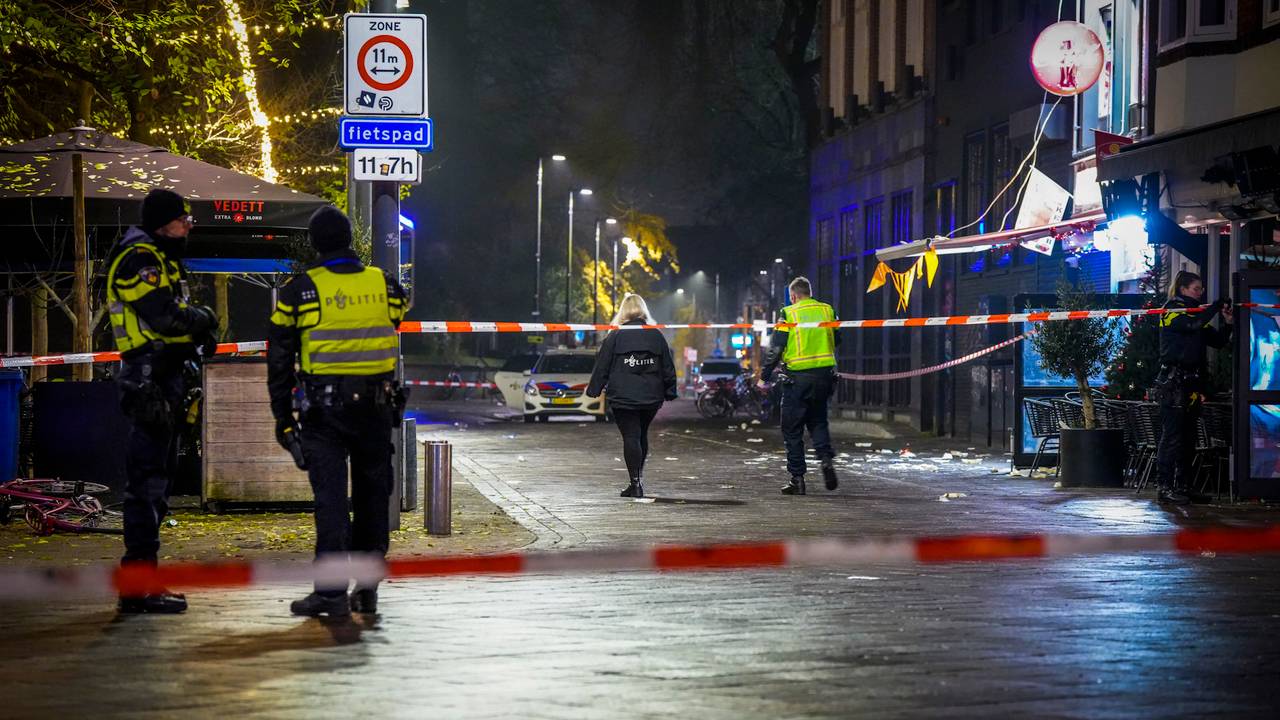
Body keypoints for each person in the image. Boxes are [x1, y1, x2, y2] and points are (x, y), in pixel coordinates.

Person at [268, 206, 408, 618]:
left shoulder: (300, 291)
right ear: (349, 239)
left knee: (330, 500)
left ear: (314, 243)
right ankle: (367, 590)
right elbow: (396, 320)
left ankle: (330, 594)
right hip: (376, 410)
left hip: (324, 413)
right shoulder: (386, 285)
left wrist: (282, 416)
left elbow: (278, 358)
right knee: (372, 497)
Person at [106, 188, 219, 614]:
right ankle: (137, 587)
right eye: (183, 218)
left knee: (158, 485)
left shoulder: (159, 258)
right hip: (148, 379)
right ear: (161, 223)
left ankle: (144, 582)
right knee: (147, 486)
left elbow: (174, 319)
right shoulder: (140, 258)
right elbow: (164, 316)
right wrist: (203, 320)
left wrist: (195, 332)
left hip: (164, 377)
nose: (190, 225)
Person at [586, 294, 677, 498]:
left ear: (623, 312)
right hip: (651, 396)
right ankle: (638, 479)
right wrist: (670, 390)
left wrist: (594, 389)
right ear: (643, 311)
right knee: (641, 434)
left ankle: (635, 483)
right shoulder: (655, 335)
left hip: (623, 396)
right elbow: (667, 365)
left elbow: (603, 364)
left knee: (630, 436)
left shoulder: (616, 335)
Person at [1153, 270, 1232, 505]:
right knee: (1172, 437)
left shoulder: (1195, 312)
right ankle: (1164, 486)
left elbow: (1216, 342)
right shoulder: (1173, 309)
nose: (1200, 293)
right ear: (1183, 289)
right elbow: (1192, 324)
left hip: (1192, 383)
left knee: (1189, 438)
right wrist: (1215, 307)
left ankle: (1184, 486)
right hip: (1173, 382)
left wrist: (1227, 324)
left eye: (1201, 289)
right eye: (1196, 289)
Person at [761, 277, 841, 495]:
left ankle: (798, 479)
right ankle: (825, 459)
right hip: (824, 377)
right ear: (810, 292)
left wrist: (764, 376)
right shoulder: (828, 311)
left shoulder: (789, 313)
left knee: (792, 429)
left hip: (797, 379)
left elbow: (776, 348)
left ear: (793, 296)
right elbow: (839, 338)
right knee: (818, 422)